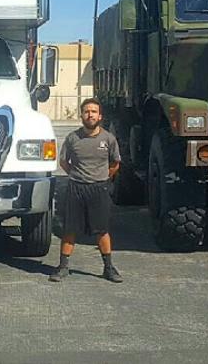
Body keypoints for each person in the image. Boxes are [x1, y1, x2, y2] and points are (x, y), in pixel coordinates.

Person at [49, 97, 123, 283]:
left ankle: (108, 268)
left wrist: (104, 177)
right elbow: (64, 162)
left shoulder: (108, 138)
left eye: (94, 112)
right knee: (70, 229)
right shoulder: (73, 138)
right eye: (86, 111)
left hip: (99, 189)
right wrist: (76, 175)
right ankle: (63, 267)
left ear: (100, 116)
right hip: (76, 188)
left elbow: (115, 163)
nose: (90, 115)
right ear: (81, 115)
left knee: (102, 230)